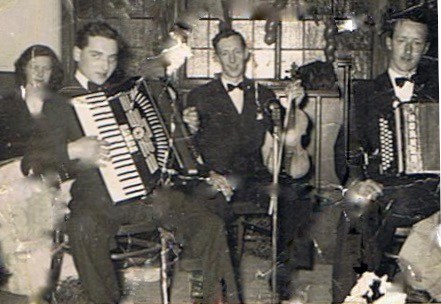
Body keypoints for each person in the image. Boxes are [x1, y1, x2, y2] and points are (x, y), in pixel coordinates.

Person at [30, 22, 239, 304]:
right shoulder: (57, 103)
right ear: (77, 53)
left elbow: (162, 146)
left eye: (112, 58)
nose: (105, 65)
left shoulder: (128, 92)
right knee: (83, 229)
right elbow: (32, 162)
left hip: (150, 197)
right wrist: (71, 148)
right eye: (97, 55)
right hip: (97, 200)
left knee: (209, 225)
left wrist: (181, 127)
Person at [184, 29, 313, 301]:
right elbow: (190, 145)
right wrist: (189, 129)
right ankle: (207, 279)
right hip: (216, 177)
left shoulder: (263, 94)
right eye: (225, 53)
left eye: (237, 52)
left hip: (254, 177)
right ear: (217, 58)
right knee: (207, 203)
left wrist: (294, 105)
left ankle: (282, 276)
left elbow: (280, 141)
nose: (232, 59)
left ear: (246, 54)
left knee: (297, 195)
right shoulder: (199, 96)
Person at [333, 8, 439, 303]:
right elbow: (347, 147)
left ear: (426, 48)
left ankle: (374, 285)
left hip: (428, 188)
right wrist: (357, 180)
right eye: (402, 40)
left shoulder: (437, 90)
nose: (408, 50)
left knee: (389, 211)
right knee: (353, 212)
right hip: (380, 184)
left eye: (416, 43)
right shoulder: (365, 92)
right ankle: (347, 298)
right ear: (389, 42)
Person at [0, 45, 65, 303]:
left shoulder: (60, 107)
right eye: (34, 66)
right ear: (23, 69)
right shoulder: (6, 105)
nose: (40, 73)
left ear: (53, 74)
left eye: (46, 68)